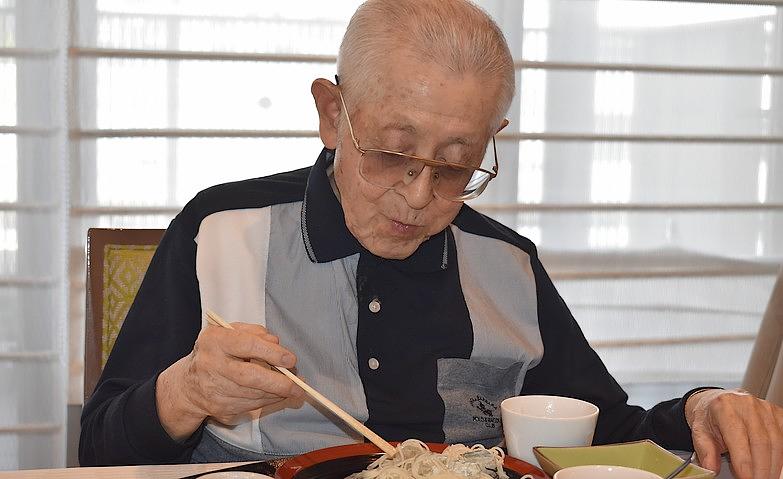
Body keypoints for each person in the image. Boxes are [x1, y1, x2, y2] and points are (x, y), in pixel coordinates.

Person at [79, 1, 783, 477]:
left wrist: (702, 406)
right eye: (391, 151)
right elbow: (98, 450)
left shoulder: (506, 262)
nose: (417, 198)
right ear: (332, 115)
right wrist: (187, 392)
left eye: (454, 164)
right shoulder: (219, 229)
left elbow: (601, 434)